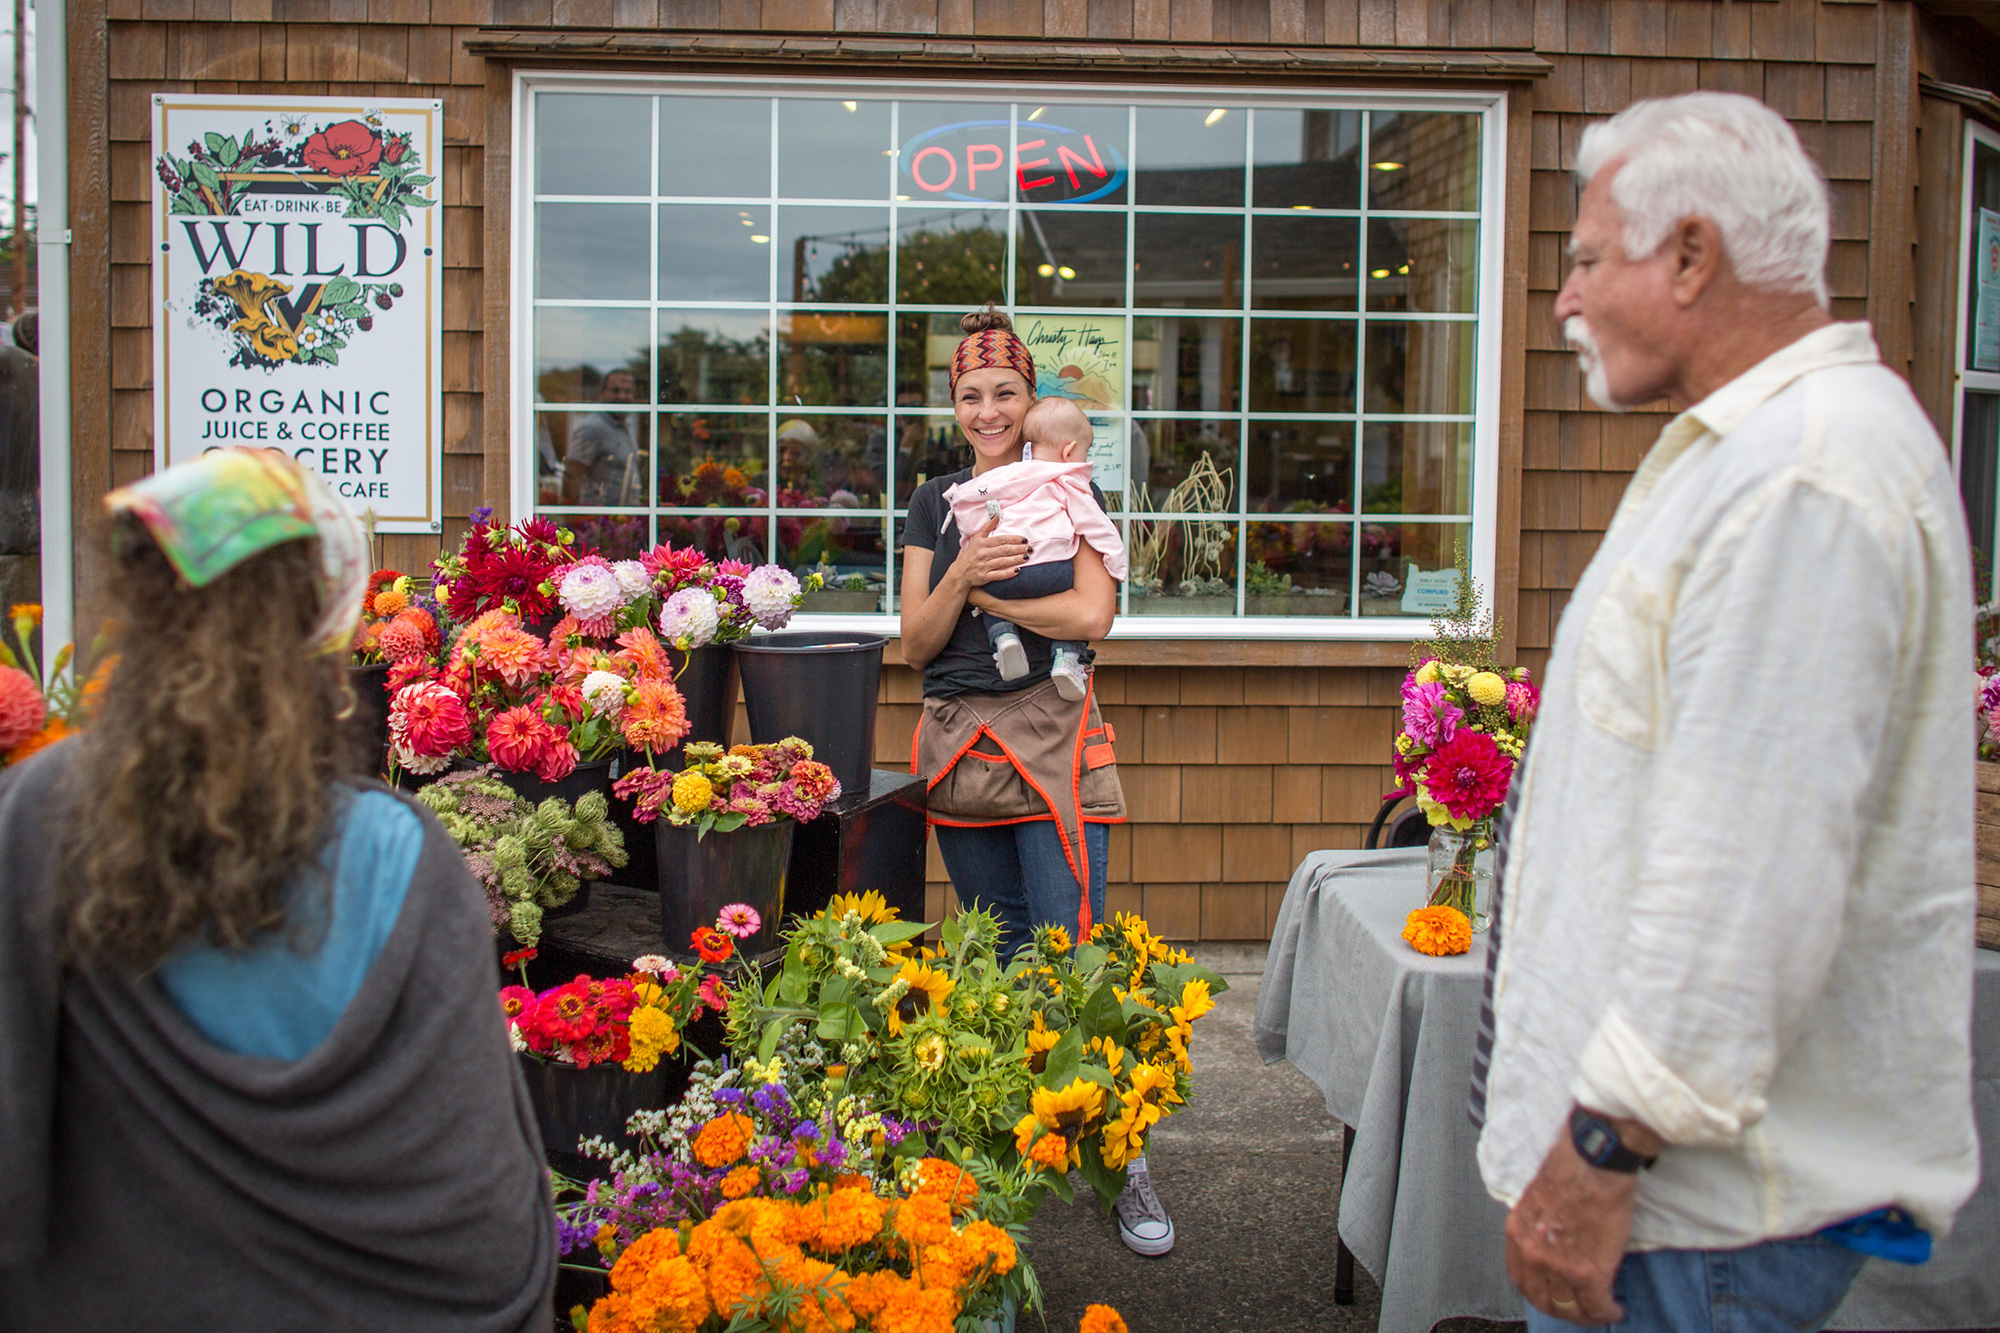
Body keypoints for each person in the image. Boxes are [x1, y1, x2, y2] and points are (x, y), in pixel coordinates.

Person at [1472, 92, 1979, 1332]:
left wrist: (1599, 1149)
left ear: (1690, 255)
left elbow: (1747, 880)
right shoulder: (1752, 452)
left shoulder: (1802, 477)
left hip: (1692, 1227)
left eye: (1586, 259)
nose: (1564, 300)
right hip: (1679, 1220)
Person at [0, 449, 554, 1331]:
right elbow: (484, 1231)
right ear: (326, 625)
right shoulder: (398, 859)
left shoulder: (39, 810)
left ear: (138, 606)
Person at [901, 307, 1174, 1259]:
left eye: (1004, 394)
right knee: (998, 961)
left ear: (1031, 401)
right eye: (970, 396)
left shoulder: (1066, 480)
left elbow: (1093, 611)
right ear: (953, 404)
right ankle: (1016, 1148)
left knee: (1076, 959)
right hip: (961, 745)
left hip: (1058, 737)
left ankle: (1124, 1157)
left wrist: (976, 591)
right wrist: (964, 570)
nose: (987, 411)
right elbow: (914, 642)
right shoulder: (934, 503)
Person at [944, 395, 1126, 700]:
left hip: (1003, 571)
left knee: (995, 586)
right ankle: (1067, 658)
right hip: (1049, 571)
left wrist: (966, 544)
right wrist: (1116, 560)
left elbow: (973, 505)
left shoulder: (1008, 475)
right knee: (1068, 587)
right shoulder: (1068, 479)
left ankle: (1003, 639)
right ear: (1069, 451)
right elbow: (1093, 524)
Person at [565, 367, 641, 506]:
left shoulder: (624, 426)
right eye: (616, 391)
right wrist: (574, 518)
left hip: (623, 521)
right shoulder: (592, 428)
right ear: (601, 393)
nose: (622, 396)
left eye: (628, 392)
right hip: (598, 521)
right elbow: (571, 476)